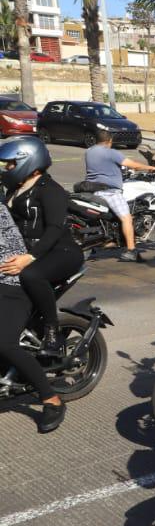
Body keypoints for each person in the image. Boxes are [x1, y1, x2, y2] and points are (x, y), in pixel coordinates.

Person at [0, 138, 86, 432]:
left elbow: (54, 229)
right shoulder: (13, 190)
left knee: (5, 341)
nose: (6, 169)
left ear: (27, 162)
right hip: (21, 257)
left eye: (11, 164)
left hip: (53, 254)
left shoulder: (51, 191)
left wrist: (29, 257)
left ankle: (50, 399)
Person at [81, 129, 155, 261]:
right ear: (109, 141)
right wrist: (152, 168)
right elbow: (132, 165)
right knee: (127, 218)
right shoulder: (111, 153)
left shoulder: (89, 152)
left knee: (111, 218)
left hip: (92, 190)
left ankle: (109, 241)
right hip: (109, 192)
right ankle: (131, 250)